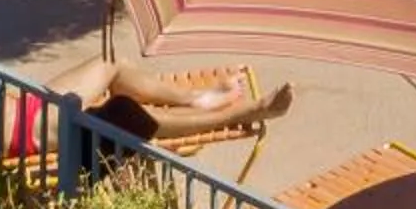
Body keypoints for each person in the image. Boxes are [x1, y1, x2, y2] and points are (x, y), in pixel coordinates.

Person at [54, 57, 294, 147]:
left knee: (112, 62)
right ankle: (246, 113)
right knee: (126, 114)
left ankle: (196, 99)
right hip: (33, 131)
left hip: (29, 101)